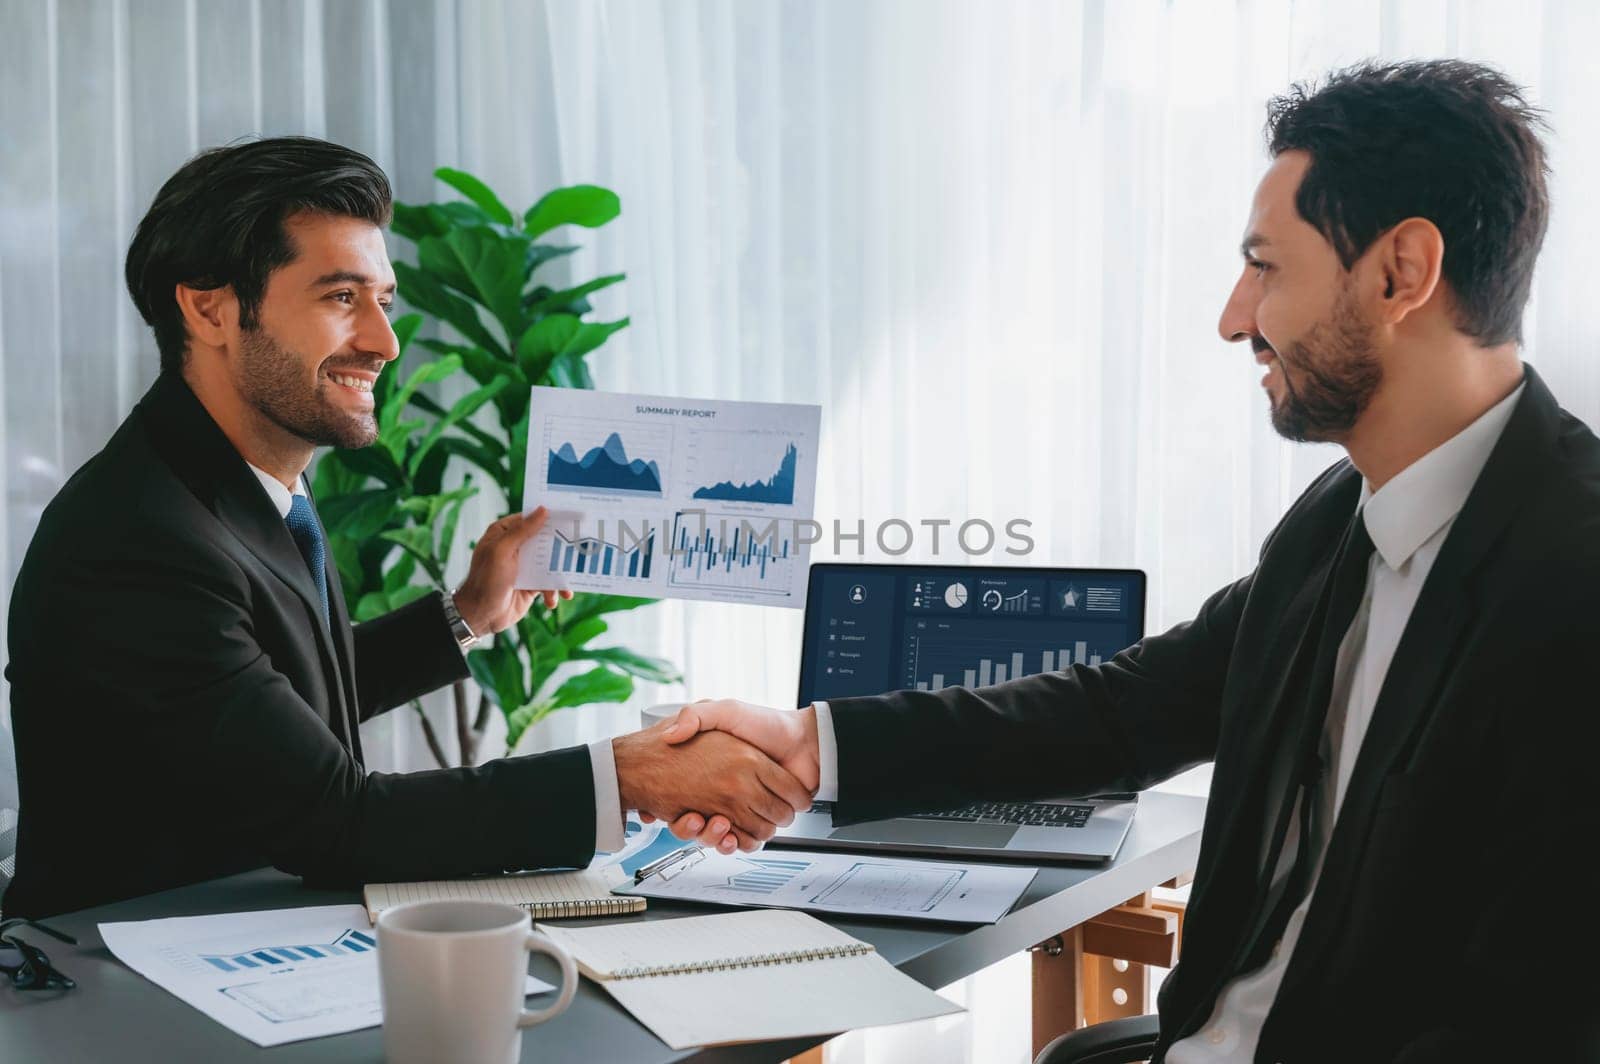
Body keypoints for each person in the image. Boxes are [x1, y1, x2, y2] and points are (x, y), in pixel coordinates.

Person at [658, 61, 1600, 1061]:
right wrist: (811, 745)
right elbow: (1122, 710)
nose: (1235, 316)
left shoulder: (1572, 587)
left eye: (1267, 266)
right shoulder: (1337, 521)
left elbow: (1527, 1025)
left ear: (1400, 272)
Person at [2, 137, 808, 919]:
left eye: (382, 302)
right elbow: (338, 819)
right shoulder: (137, 541)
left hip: (244, 942)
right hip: (122, 997)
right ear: (211, 308)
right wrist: (626, 778)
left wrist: (470, 614)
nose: (386, 342)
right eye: (340, 297)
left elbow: (273, 681)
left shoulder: (237, 481)